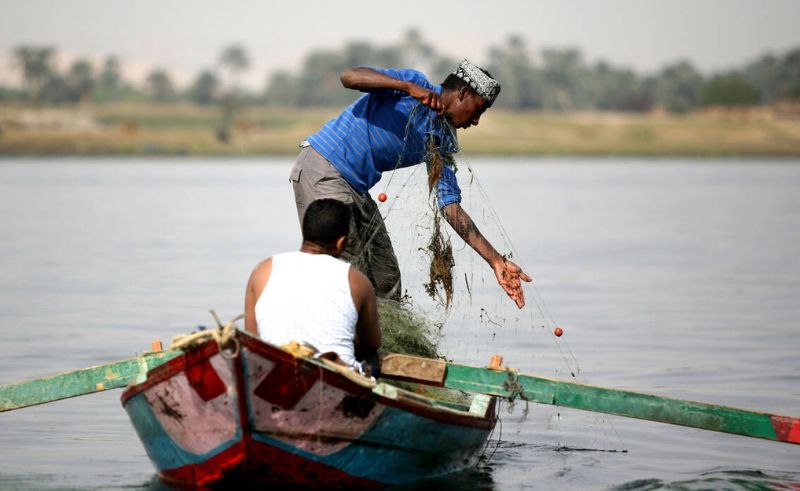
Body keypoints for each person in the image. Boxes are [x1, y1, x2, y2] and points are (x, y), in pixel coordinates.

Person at [290, 59, 531, 309]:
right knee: (343, 266)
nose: (477, 121)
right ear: (463, 93)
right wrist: (407, 87)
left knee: (386, 279)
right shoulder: (413, 84)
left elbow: (450, 207)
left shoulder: (442, 141)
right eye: (478, 110)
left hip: (356, 187)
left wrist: (495, 261)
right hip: (323, 167)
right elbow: (349, 76)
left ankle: (379, 345)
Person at [244, 198, 381, 369]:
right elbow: (372, 343)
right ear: (341, 242)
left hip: (272, 371)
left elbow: (252, 340)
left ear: (305, 232)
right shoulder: (357, 280)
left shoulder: (263, 270)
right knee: (371, 359)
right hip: (337, 374)